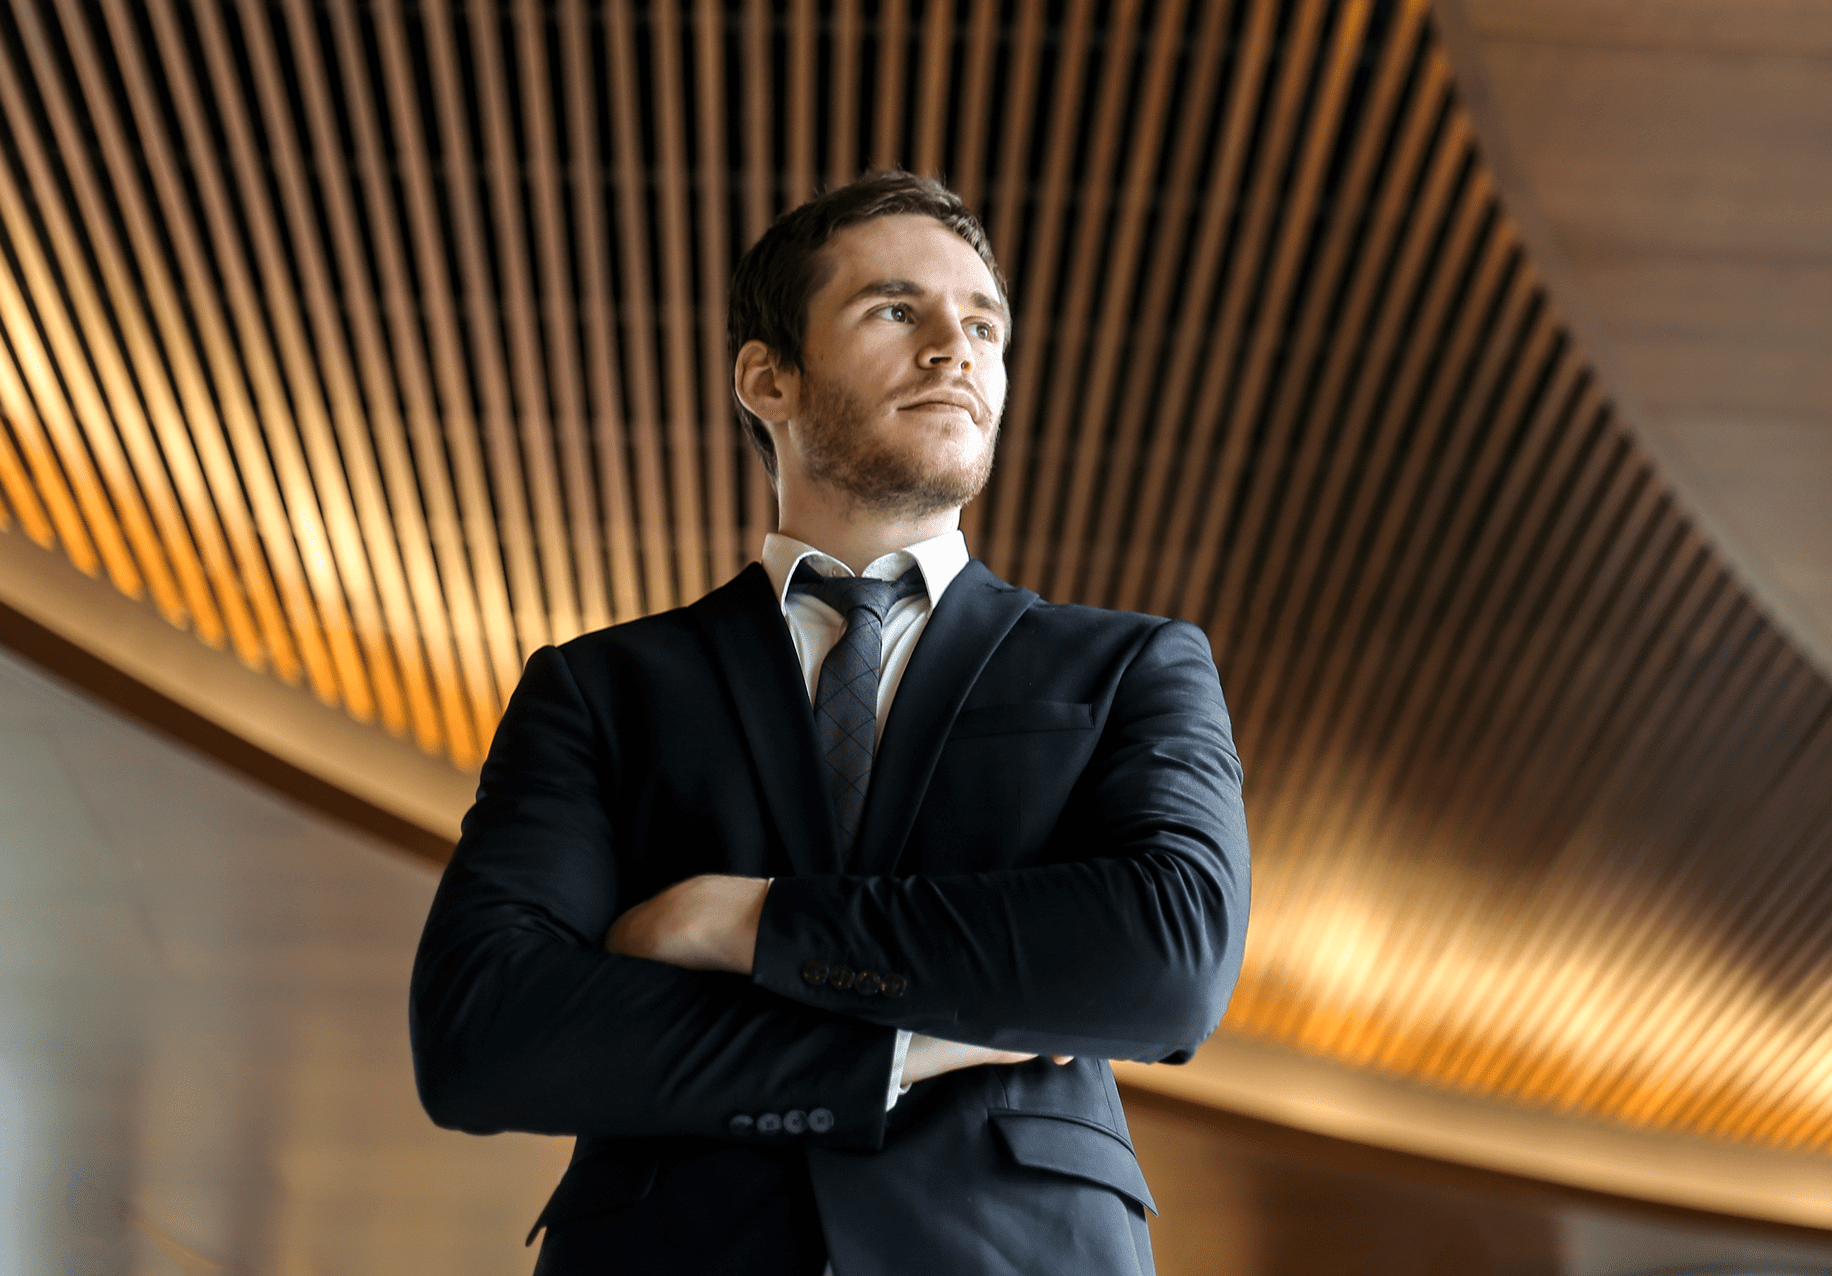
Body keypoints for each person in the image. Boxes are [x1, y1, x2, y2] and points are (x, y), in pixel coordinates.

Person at [410, 171, 1249, 1276]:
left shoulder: (1133, 663)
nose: (956, 347)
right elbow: (487, 1032)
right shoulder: (598, 689)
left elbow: (1167, 958)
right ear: (766, 376)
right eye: (896, 310)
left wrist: (749, 924)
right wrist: (920, 1042)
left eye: (983, 323)